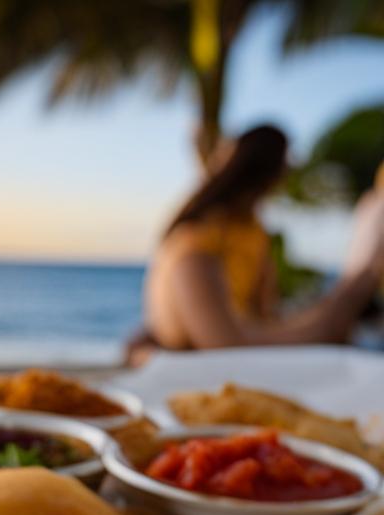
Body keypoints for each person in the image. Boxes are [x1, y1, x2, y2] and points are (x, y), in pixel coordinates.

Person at [129, 125, 384, 365]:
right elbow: (226, 348)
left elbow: (263, 318)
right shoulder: (198, 242)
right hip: (199, 375)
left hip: (224, 363)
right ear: (272, 173)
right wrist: (351, 290)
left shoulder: (250, 234)